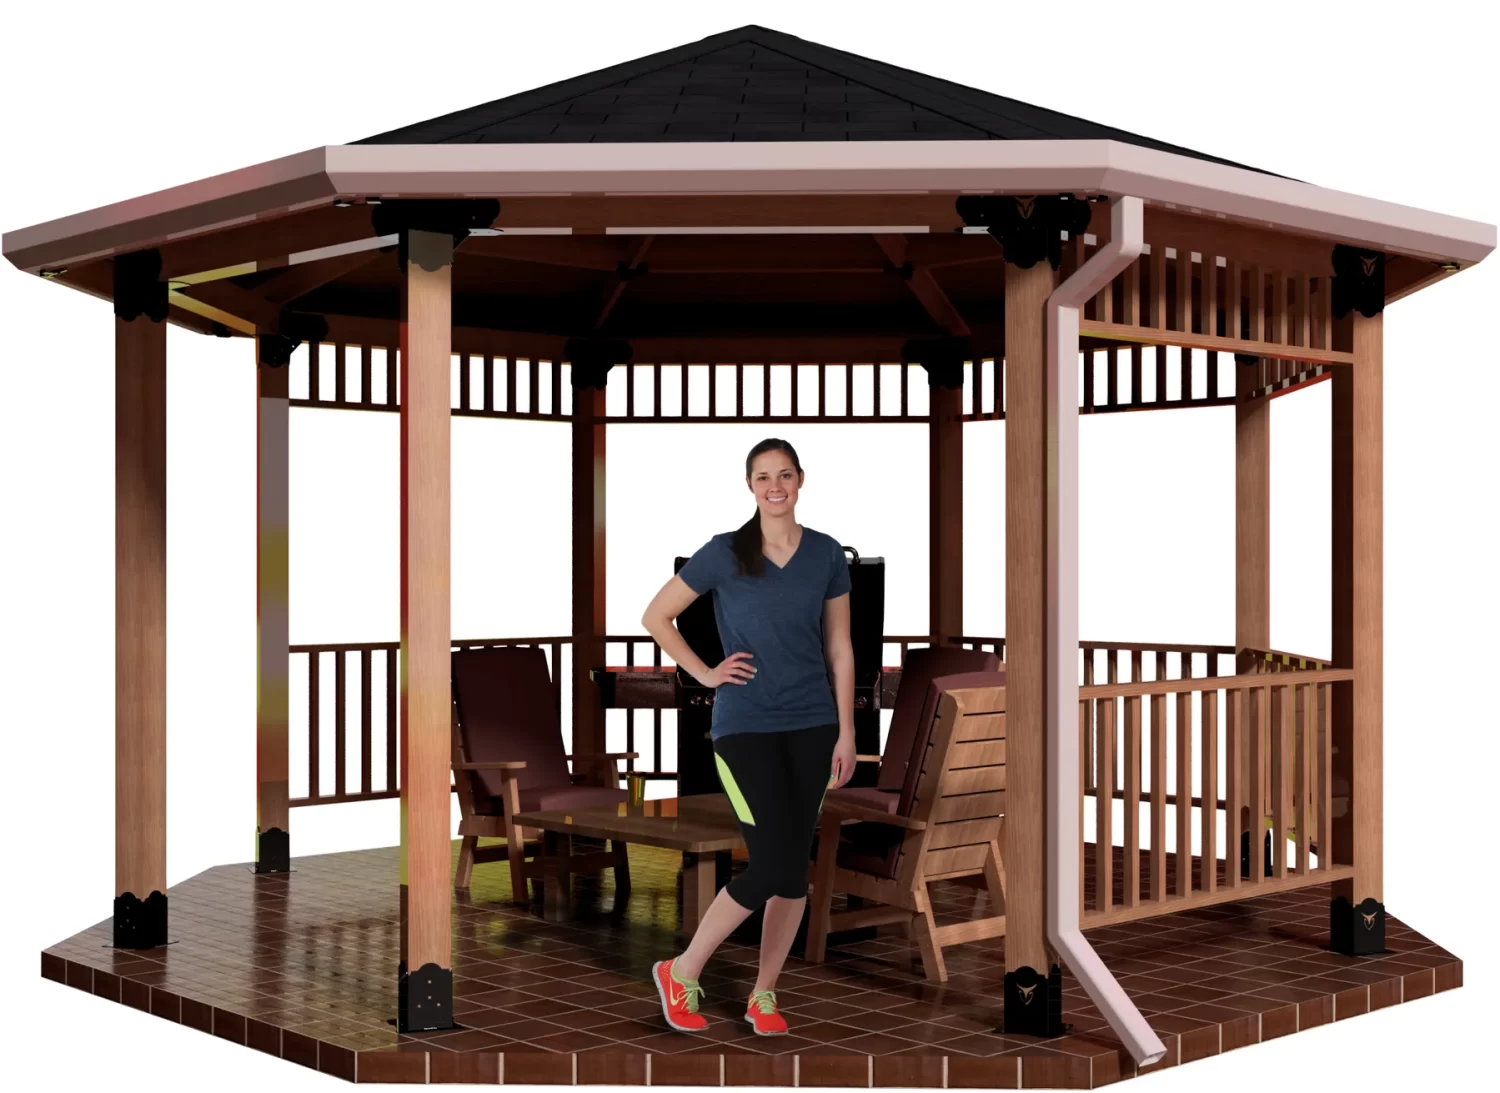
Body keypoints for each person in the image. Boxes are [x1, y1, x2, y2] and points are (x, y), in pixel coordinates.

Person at [640, 438, 856, 1036]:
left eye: (784, 474)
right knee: (772, 866)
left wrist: (846, 730)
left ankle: (763, 993)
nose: (775, 486)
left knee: (793, 872)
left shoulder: (826, 554)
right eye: (764, 477)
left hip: (814, 725)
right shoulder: (724, 551)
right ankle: (681, 970)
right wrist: (705, 672)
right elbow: (656, 616)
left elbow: (840, 647)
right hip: (746, 727)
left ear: (801, 479)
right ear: (750, 485)